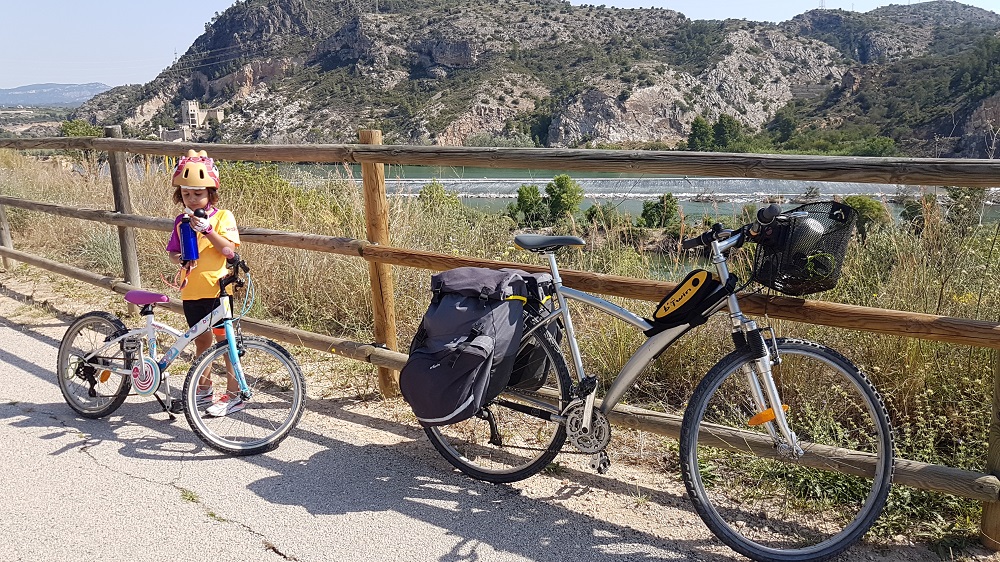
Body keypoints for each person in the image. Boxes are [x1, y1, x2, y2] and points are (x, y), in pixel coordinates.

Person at [165, 149, 244, 417]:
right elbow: (173, 251)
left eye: (198, 193)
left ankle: (234, 394)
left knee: (226, 342)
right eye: (186, 194)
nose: (192, 198)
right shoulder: (180, 221)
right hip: (192, 289)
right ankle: (204, 389)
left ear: (211, 193)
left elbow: (229, 251)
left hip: (218, 290)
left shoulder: (223, 217)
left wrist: (207, 230)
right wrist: (181, 260)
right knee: (201, 342)